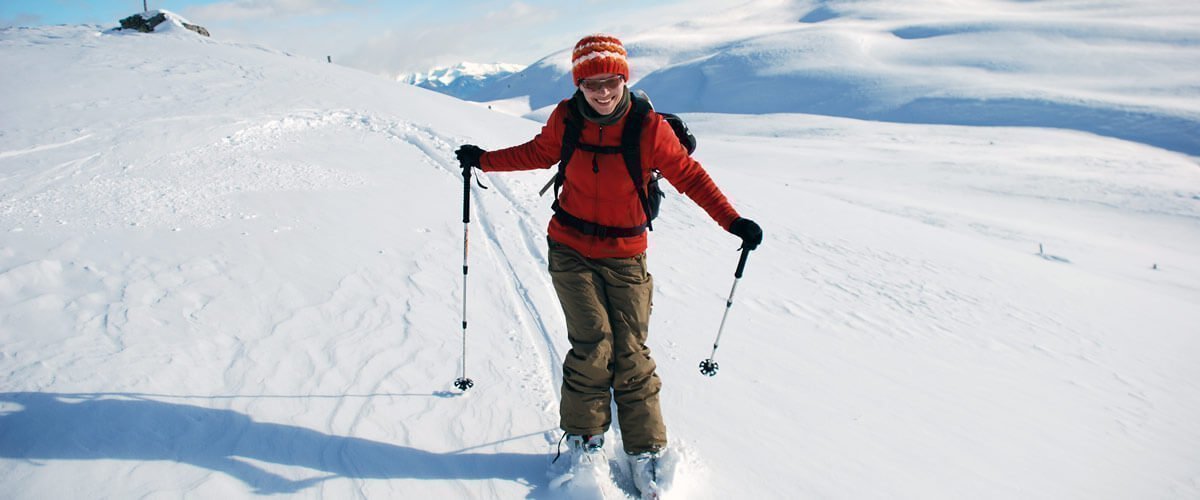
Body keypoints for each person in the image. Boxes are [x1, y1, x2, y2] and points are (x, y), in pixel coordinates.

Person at [455, 33, 762, 492]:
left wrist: (732, 221)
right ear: (579, 85)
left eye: (611, 81)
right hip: (570, 248)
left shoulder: (649, 128)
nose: (602, 92)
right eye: (591, 83)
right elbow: (536, 154)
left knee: (631, 352)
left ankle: (646, 449)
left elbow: (689, 176)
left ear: (624, 79)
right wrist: (484, 160)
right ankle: (585, 438)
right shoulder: (567, 119)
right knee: (592, 344)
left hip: (626, 254)